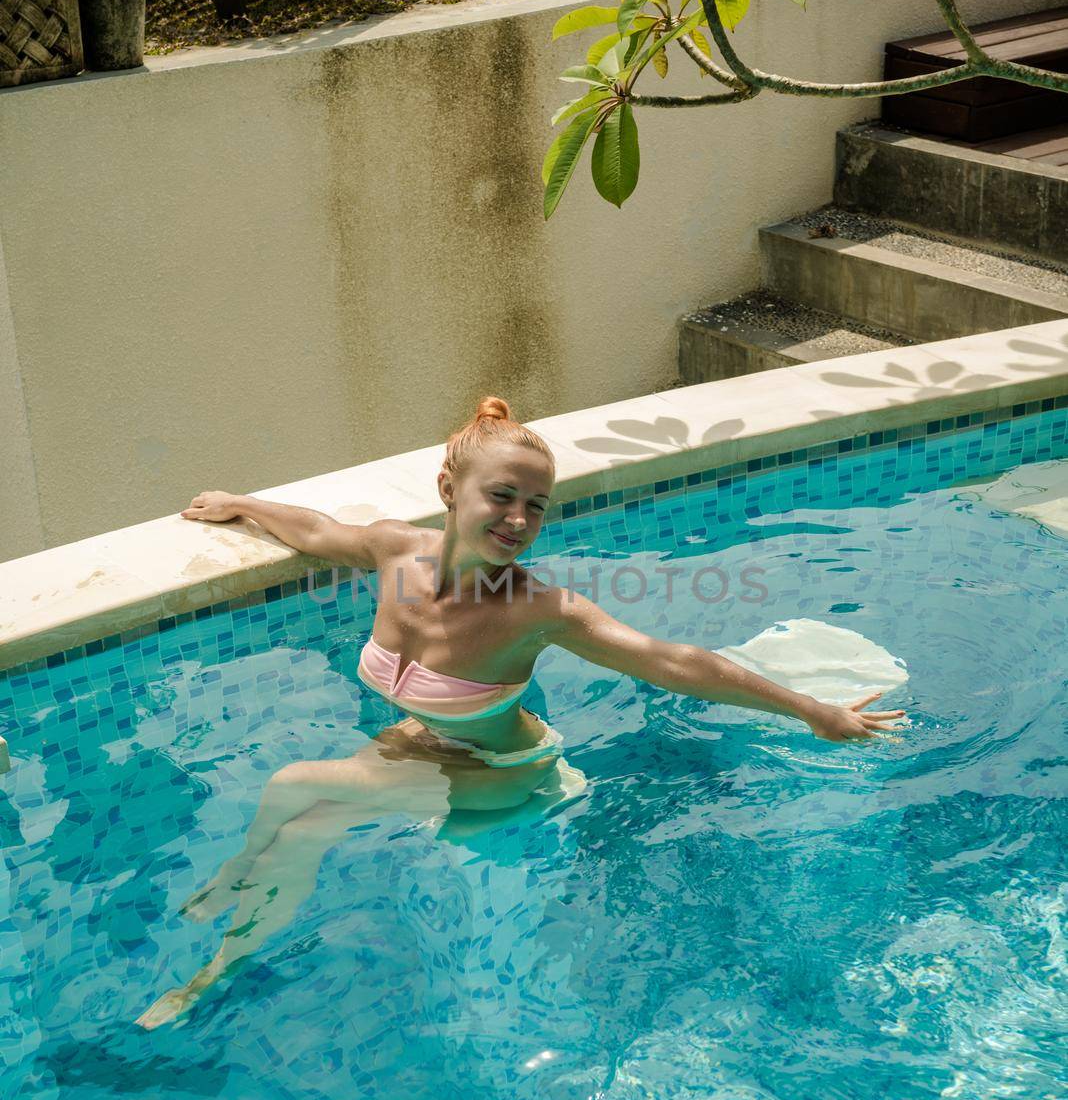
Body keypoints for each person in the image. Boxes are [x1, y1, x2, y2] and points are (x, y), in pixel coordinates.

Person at [136, 397, 905, 1029]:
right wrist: (241, 504)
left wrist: (811, 711)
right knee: (301, 827)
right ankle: (219, 965)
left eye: (535, 507)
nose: (517, 520)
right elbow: (315, 530)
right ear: (449, 490)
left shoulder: (538, 610)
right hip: (421, 747)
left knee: (295, 785)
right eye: (500, 497)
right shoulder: (394, 553)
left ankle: (234, 893)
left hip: (508, 775)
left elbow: (673, 661)